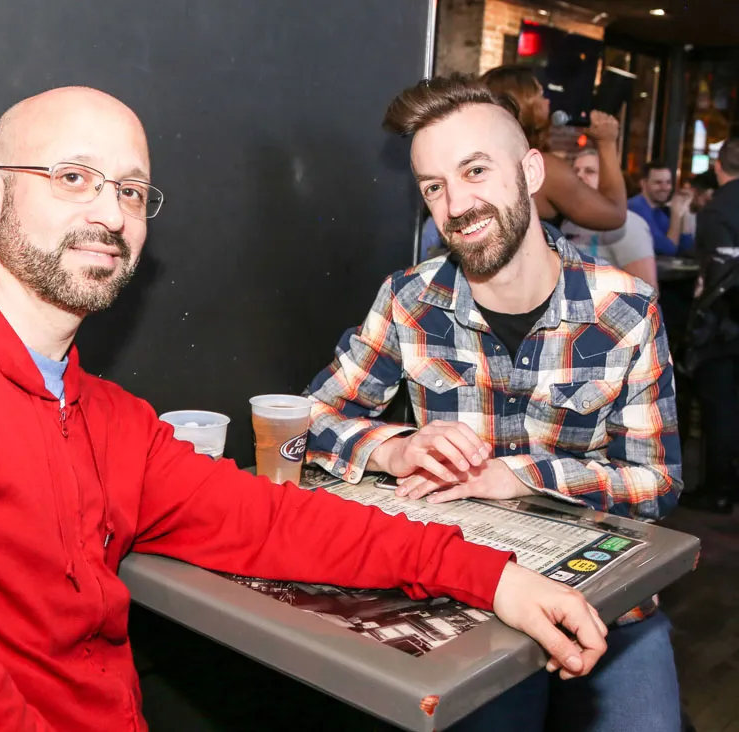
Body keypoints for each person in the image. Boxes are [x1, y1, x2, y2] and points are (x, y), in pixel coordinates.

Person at [0, 87, 607, 731]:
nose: (109, 212)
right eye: (73, 178)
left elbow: (277, 521)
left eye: (132, 192)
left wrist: (490, 575)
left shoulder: (103, 416)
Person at [307, 75, 682, 732]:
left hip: (608, 605)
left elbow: (656, 485)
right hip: (467, 606)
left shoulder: (624, 309)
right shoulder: (410, 300)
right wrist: (395, 449)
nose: (456, 204)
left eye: (474, 170)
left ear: (530, 172)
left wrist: (516, 475)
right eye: (433, 187)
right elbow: (303, 423)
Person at [480, 65, 627, 232]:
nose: (548, 101)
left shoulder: (482, 159)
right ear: (524, 104)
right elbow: (614, 215)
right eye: (542, 95)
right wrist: (606, 143)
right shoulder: (541, 169)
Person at [681, 137, 739, 513]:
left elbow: (718, 276)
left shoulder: (717, 208)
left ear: (718, 167)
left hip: (723, 324)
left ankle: (719, 489)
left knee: (719, 407)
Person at [563, 148, 658, 292]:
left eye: (590, 171)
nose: (580, 176)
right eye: (575, 171)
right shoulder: (568, 222)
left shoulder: (627, 224)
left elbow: (646, 292)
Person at [628, 161, 695, 255]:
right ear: (643, 184)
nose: (665, 188)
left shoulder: (659, 211)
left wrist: (685, 210)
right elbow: (667, 250)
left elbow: (686, 248)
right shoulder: (636, 207)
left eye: (668, 182)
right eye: (658, 182)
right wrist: (675, 214)